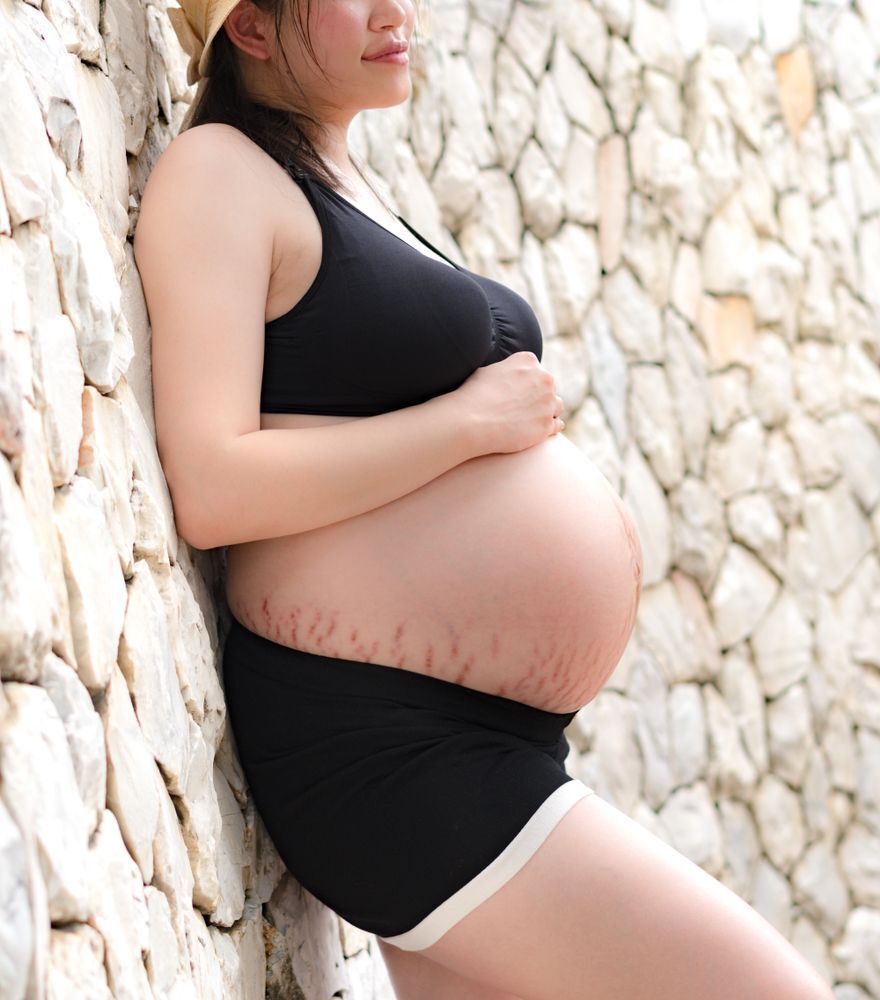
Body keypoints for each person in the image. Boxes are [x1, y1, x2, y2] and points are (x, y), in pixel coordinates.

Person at [133, 1, 835, 997]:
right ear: (251, 30)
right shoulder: (219, 173)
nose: (395, 12)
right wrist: (462, 426)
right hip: (386, 743)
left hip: (470, 737)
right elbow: (211, 482)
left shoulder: (341, 178)